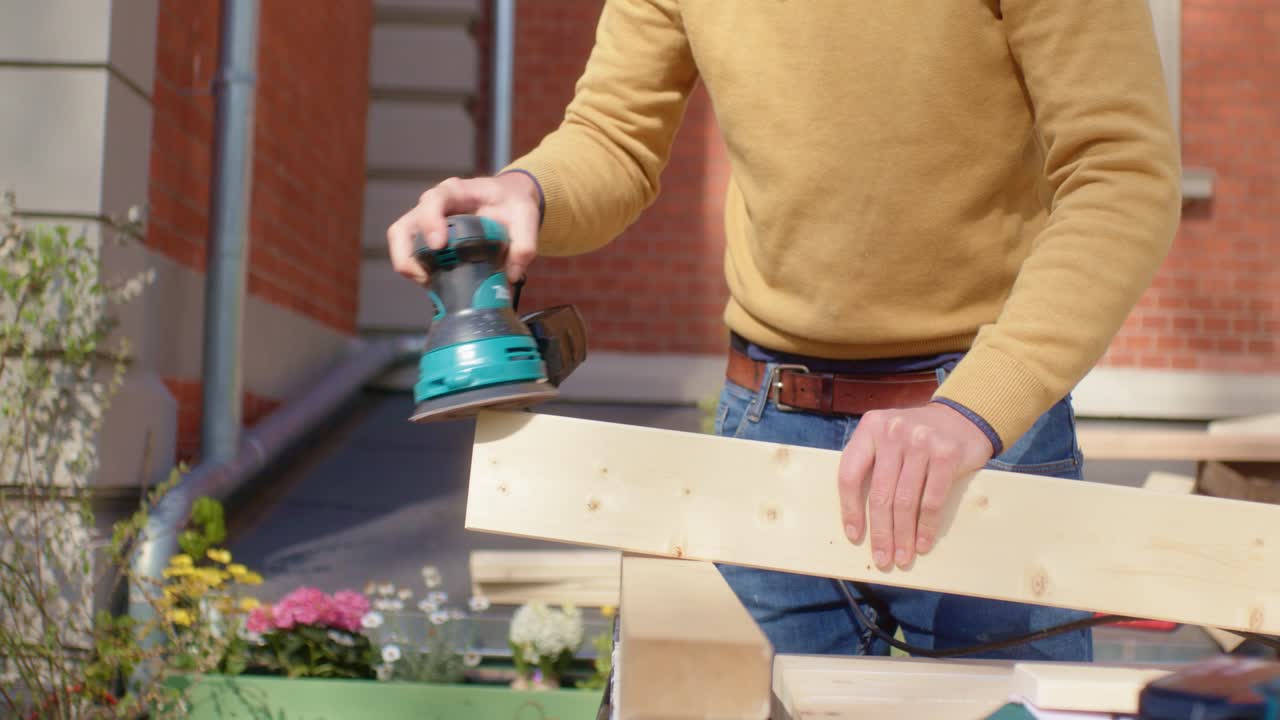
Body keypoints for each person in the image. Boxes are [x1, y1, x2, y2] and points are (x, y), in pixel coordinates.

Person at [387, 1, 1181, 661]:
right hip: (764, 429)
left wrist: (976, 408)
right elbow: (614, 135)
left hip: (979, 440)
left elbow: (1121, 175)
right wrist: (526, 190)